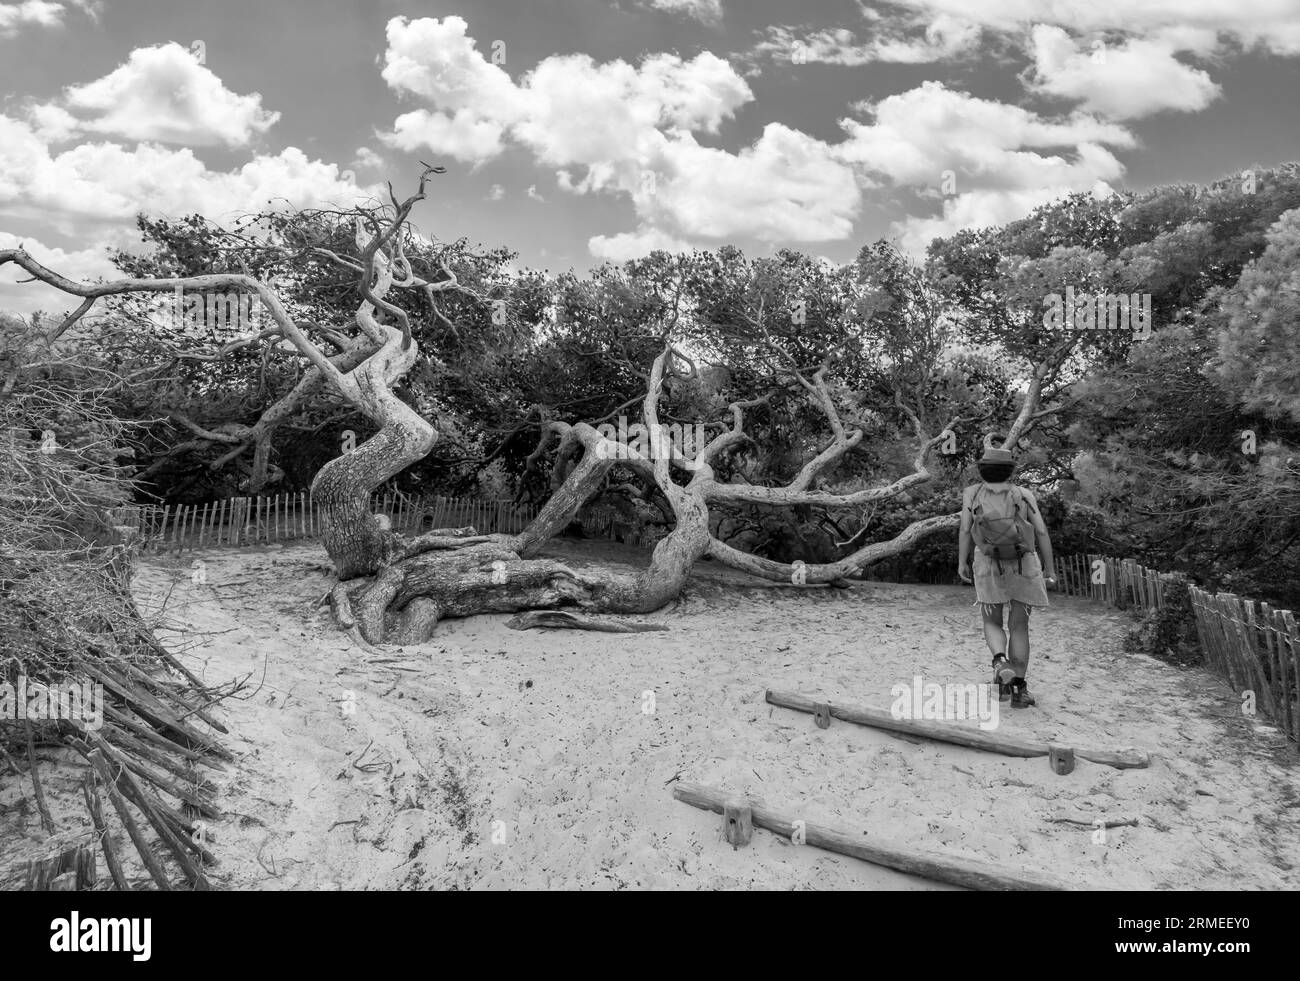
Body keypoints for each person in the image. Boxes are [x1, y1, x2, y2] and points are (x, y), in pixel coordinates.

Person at [957, 438, 1056, 708]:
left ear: (982, 470)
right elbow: (1042, 531)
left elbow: (966, 530)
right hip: (1023, 564)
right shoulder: (1024, 495)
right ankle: (1019, 692)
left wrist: (961, 562)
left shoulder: (972, 494)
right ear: (1010, 471)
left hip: (988, 563)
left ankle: (999, 662)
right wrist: (1049, 567)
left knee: (992, 621)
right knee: (1019, 626)